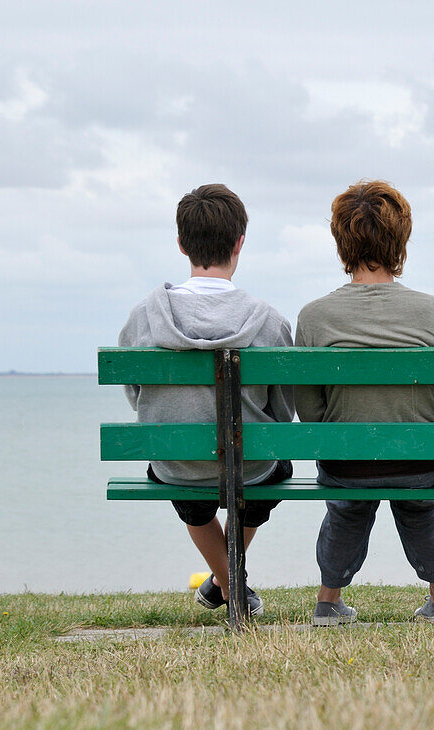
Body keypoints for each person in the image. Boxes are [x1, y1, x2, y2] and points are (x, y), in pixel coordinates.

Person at [295, 180, 434, 626]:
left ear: (341, 243)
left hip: (345, 467)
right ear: (401, 240)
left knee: (346, 506)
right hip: (425, 467)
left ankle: (328, 602)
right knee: (420, 503)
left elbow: (312, 415)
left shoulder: (314, 318)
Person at [118, 184, 295, 616]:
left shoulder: (145, 316)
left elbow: (135, 394)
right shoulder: (269, 321)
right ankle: (232, 584)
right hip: (253, 465)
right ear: (239, 243)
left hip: (176, 463)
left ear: (181, 244)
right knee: (268, 468)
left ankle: (226, 583)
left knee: (191, 490)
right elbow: (283, 410)